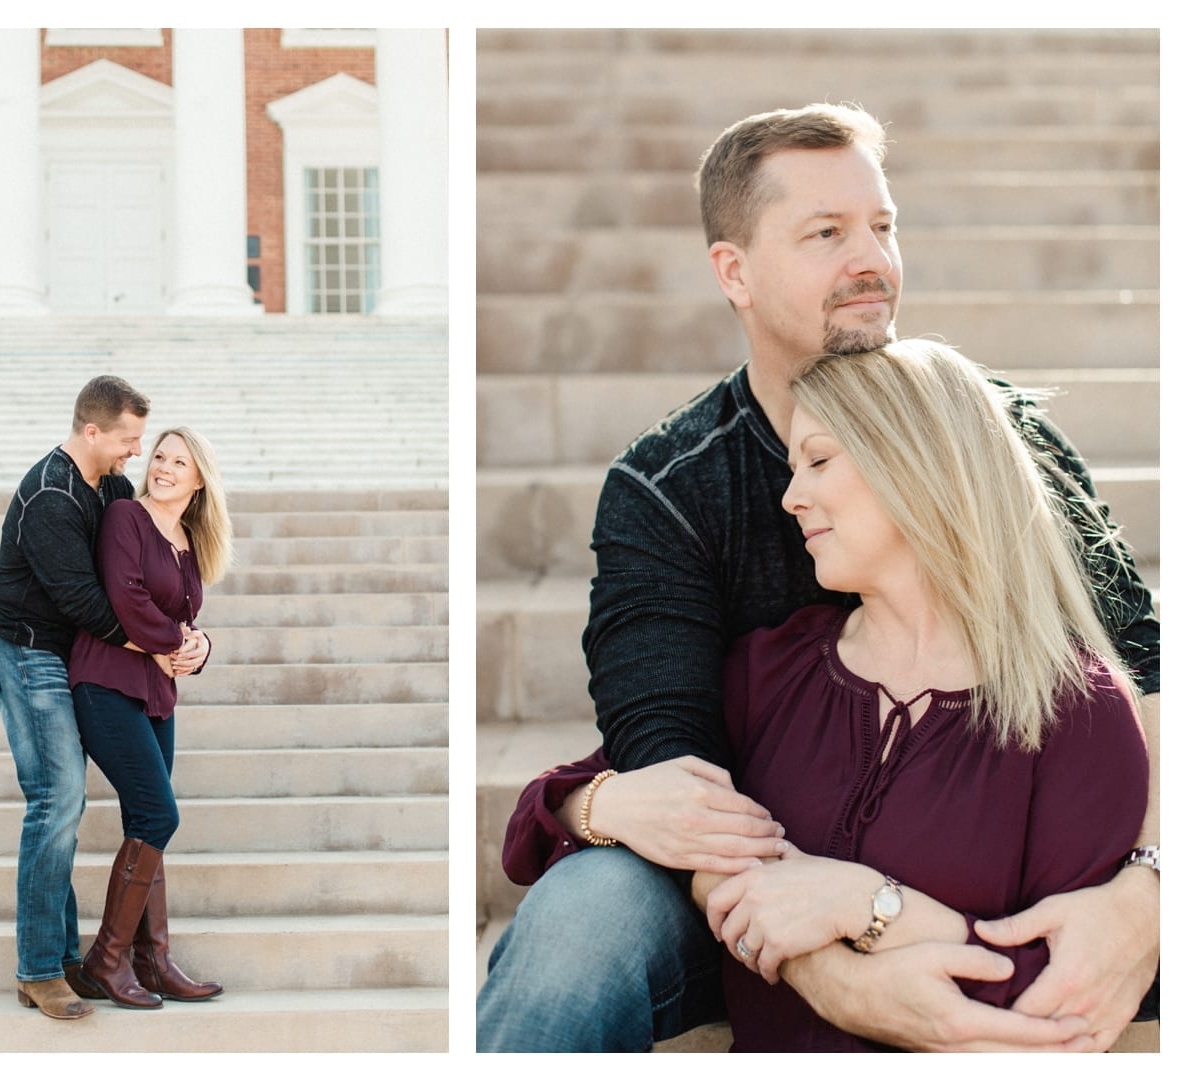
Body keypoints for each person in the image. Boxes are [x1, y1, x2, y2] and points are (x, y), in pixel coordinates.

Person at [476, 104, 1160, 1052]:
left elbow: (1142, 673)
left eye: (882, 225)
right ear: (735, 272)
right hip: (741, 880)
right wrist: (839, 969)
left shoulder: (999, 441)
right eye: (827, 233)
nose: (871, 260)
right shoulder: (673, 490)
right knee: (575, 928)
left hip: (988, 845)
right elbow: (677, 776)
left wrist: (1149, 889)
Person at [0, 376, 208, 1021]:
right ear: (92, 432)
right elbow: (87, 602)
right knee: (56, 799)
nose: (137, 455)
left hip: (69, 651)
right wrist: (158, 647)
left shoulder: (106, 487)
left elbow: (138, 572)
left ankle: (83, 958)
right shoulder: (51, 495)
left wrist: (189, 641)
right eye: (130, 441)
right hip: (25, 651)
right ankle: (38, 969)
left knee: (76, 804)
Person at [66, 426, 231, 1009]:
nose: (162, 467)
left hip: (157, 692)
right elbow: (126, 597)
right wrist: (169, 644)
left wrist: (202, 646)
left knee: (147, 820)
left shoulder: (188, 537)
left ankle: (153, 961)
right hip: (106, 683)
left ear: (198, 477)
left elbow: (186, 620)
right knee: (159, 813)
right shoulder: (125, 518)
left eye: (177, 461)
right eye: (158, 456)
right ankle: (105, 961)